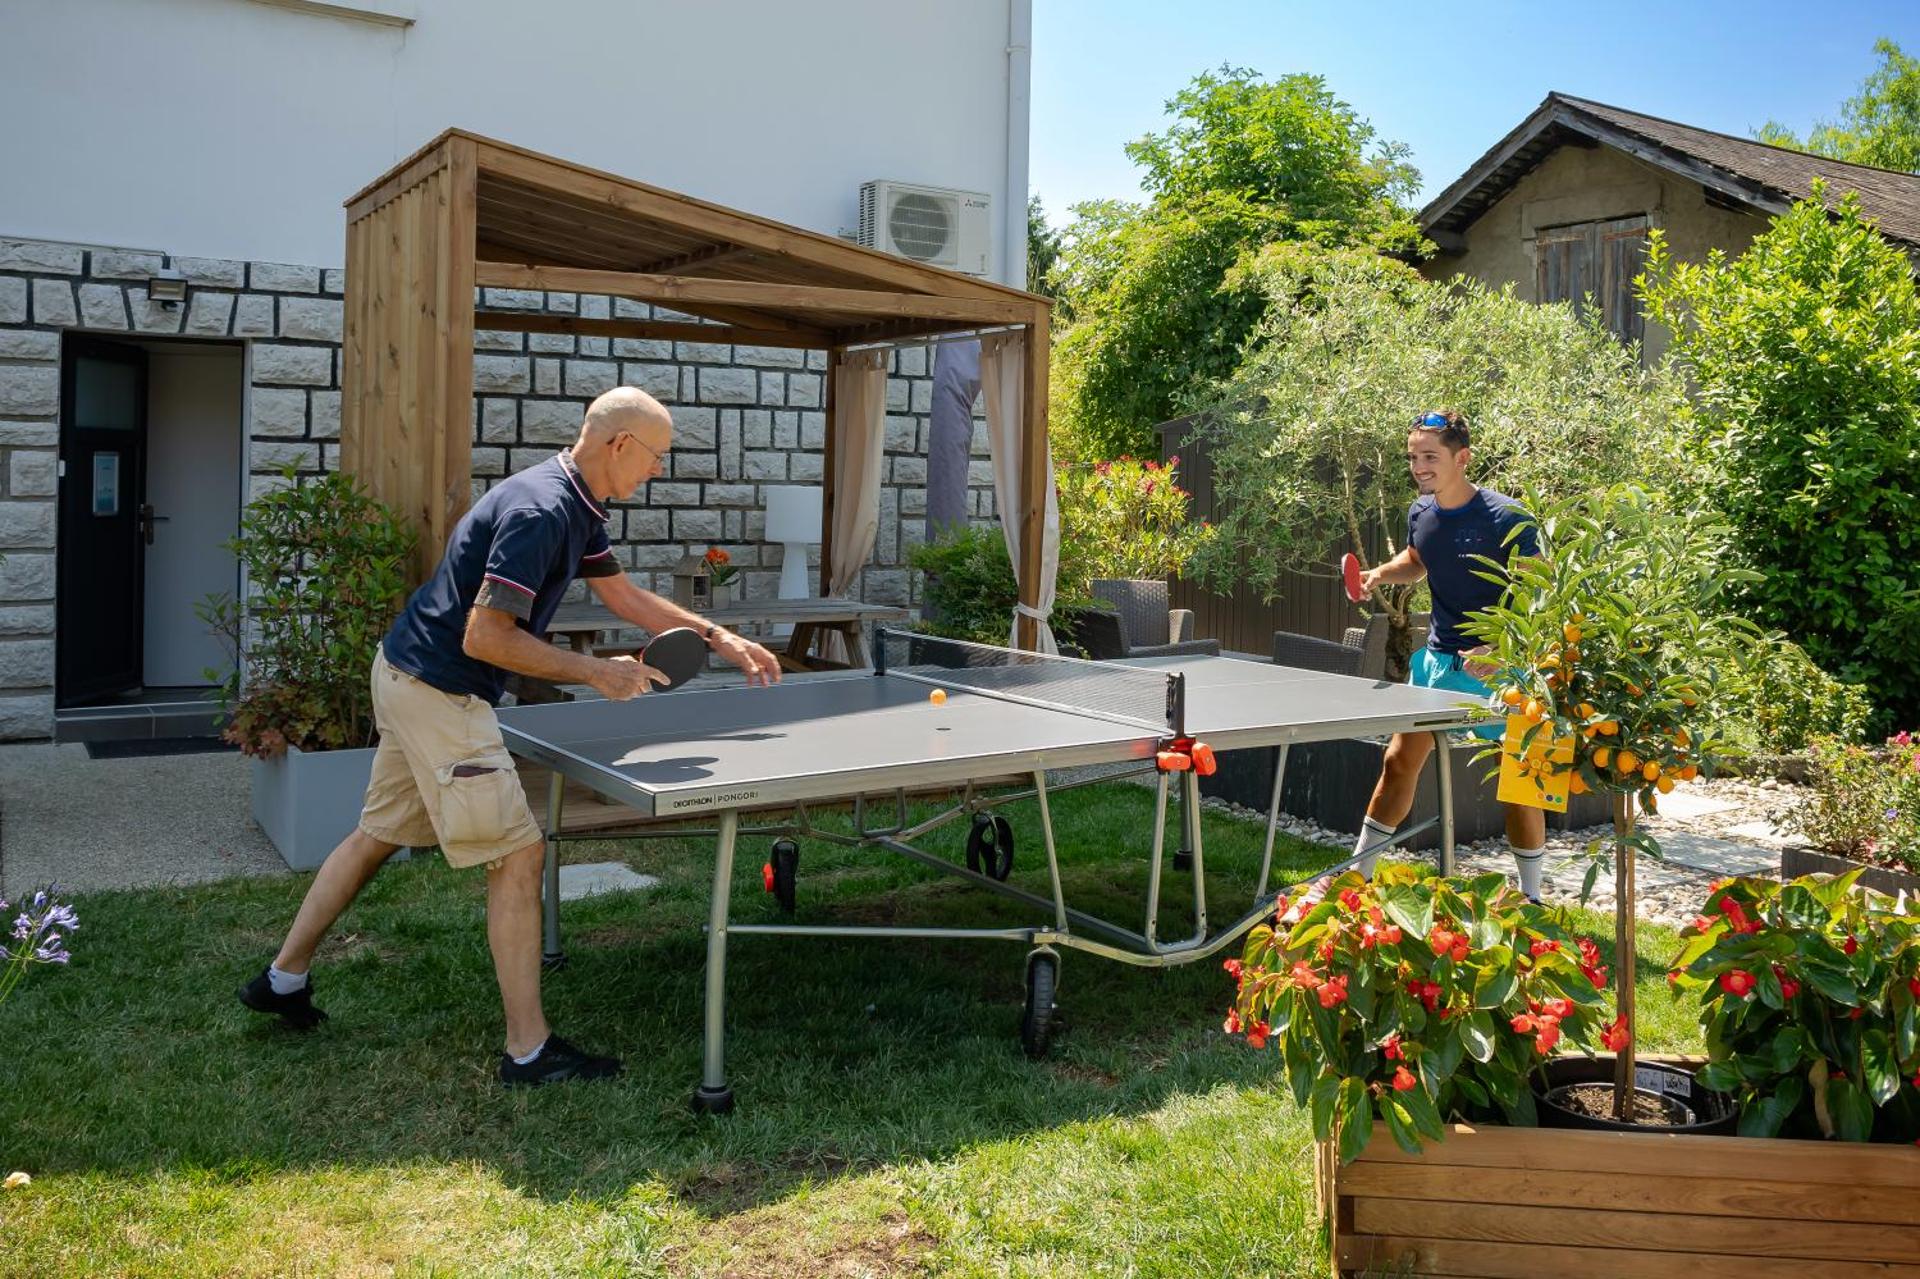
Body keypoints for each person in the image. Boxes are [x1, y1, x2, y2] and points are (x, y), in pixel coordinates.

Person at [238, 387, 783, 1085]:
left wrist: (720, 635)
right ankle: (528, 1049)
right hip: (439, 688)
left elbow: (622, 596)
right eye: (656, 457)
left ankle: (282, 978)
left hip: (401, 670)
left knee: (377, 834)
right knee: (520, 855)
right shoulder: (540, 512)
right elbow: (485, 635)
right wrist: (595, 671)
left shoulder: (576, 503)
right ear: (618, 445)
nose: (657, 472)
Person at [1350, 409, 1547, 900]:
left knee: (1519, 786)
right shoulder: (1421, 512)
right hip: (1439, 663)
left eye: (1429, 456)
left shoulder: (1509, 518)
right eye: (1413, 457)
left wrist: (1502, 643)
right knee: (1397, 763)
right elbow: (1418, 562)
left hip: (1506, 671)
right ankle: (1358, 877)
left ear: (1463, 458)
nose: (1419, 466)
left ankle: (1533, 898)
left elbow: (1542, 591)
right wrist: (1380, 573)